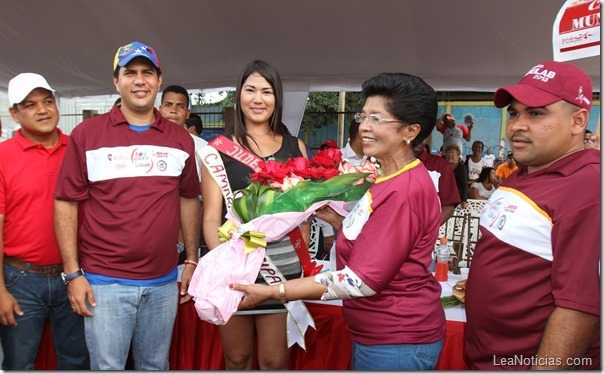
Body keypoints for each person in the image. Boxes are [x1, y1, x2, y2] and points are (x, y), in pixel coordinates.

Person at [232, 72, 445, 370]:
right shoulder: (390, 176)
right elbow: (377, 241)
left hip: (397, 340)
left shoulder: (405, 190)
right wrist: (334, 218)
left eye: (377, 119)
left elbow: (361, 281)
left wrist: (274, 292)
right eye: (364, 115)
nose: (364, 127)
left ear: (410, 131)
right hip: (379, 334)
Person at [53, 41, 201, 370]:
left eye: (147, 72)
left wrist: (191, 258)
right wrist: (72, 273)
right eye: (129, 73)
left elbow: (189, 198)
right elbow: (65, 203)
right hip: (103, 284)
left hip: (163, 284)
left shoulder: (180, 140)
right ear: (115, 80)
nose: (139, 80)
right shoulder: (87, 134)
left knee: (155, 367)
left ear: (159, 81)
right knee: (108, 367)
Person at [465, 60, 600, 369]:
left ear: (578, 121)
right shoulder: (524, 172)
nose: (516, 125)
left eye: (536, 113)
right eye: (514, 112)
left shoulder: (589, 188)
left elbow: (580, 308)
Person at [201, 60, 310, 370]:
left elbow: (303, 216)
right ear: (239, 96)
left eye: (266, 91)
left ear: (277, 98)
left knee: (275, 361)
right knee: (238, 358)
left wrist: (303, 266)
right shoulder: (217, 150)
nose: (258, 99)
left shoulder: (295, 146)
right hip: (235, 268)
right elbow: (211, 216)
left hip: (281, 268)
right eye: (250, 90)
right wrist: (224, 267)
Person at [0, 73, 89, 370]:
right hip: (21, 280)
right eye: (30, 105)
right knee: (19, 364)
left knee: (77, 361)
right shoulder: (2, 157)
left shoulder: (78, 149)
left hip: (75, 275)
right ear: (14, 113)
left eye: (48, 101)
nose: (42, 110)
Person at [159, 85, 207, 260]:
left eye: (180, 106)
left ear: (187, 113)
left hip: (189, 226)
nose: (173, 110)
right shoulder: (148, 143)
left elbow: (206, 191)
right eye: (168, 105)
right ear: (159, 109)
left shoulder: (202, 147)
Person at [414, 139, 461, 224]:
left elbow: (449, 205)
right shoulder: (386, 163)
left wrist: (429, 229)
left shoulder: (440, 165)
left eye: (422, 135)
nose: (418, 139)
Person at [444, 144, 469, 209]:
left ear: (458, 156)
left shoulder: (461, 168)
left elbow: (464, 185)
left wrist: (464, 200)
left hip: (457, 199)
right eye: (448, 154)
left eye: (453, 154)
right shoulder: (443, 167)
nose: (450, 156)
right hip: (444, 198)